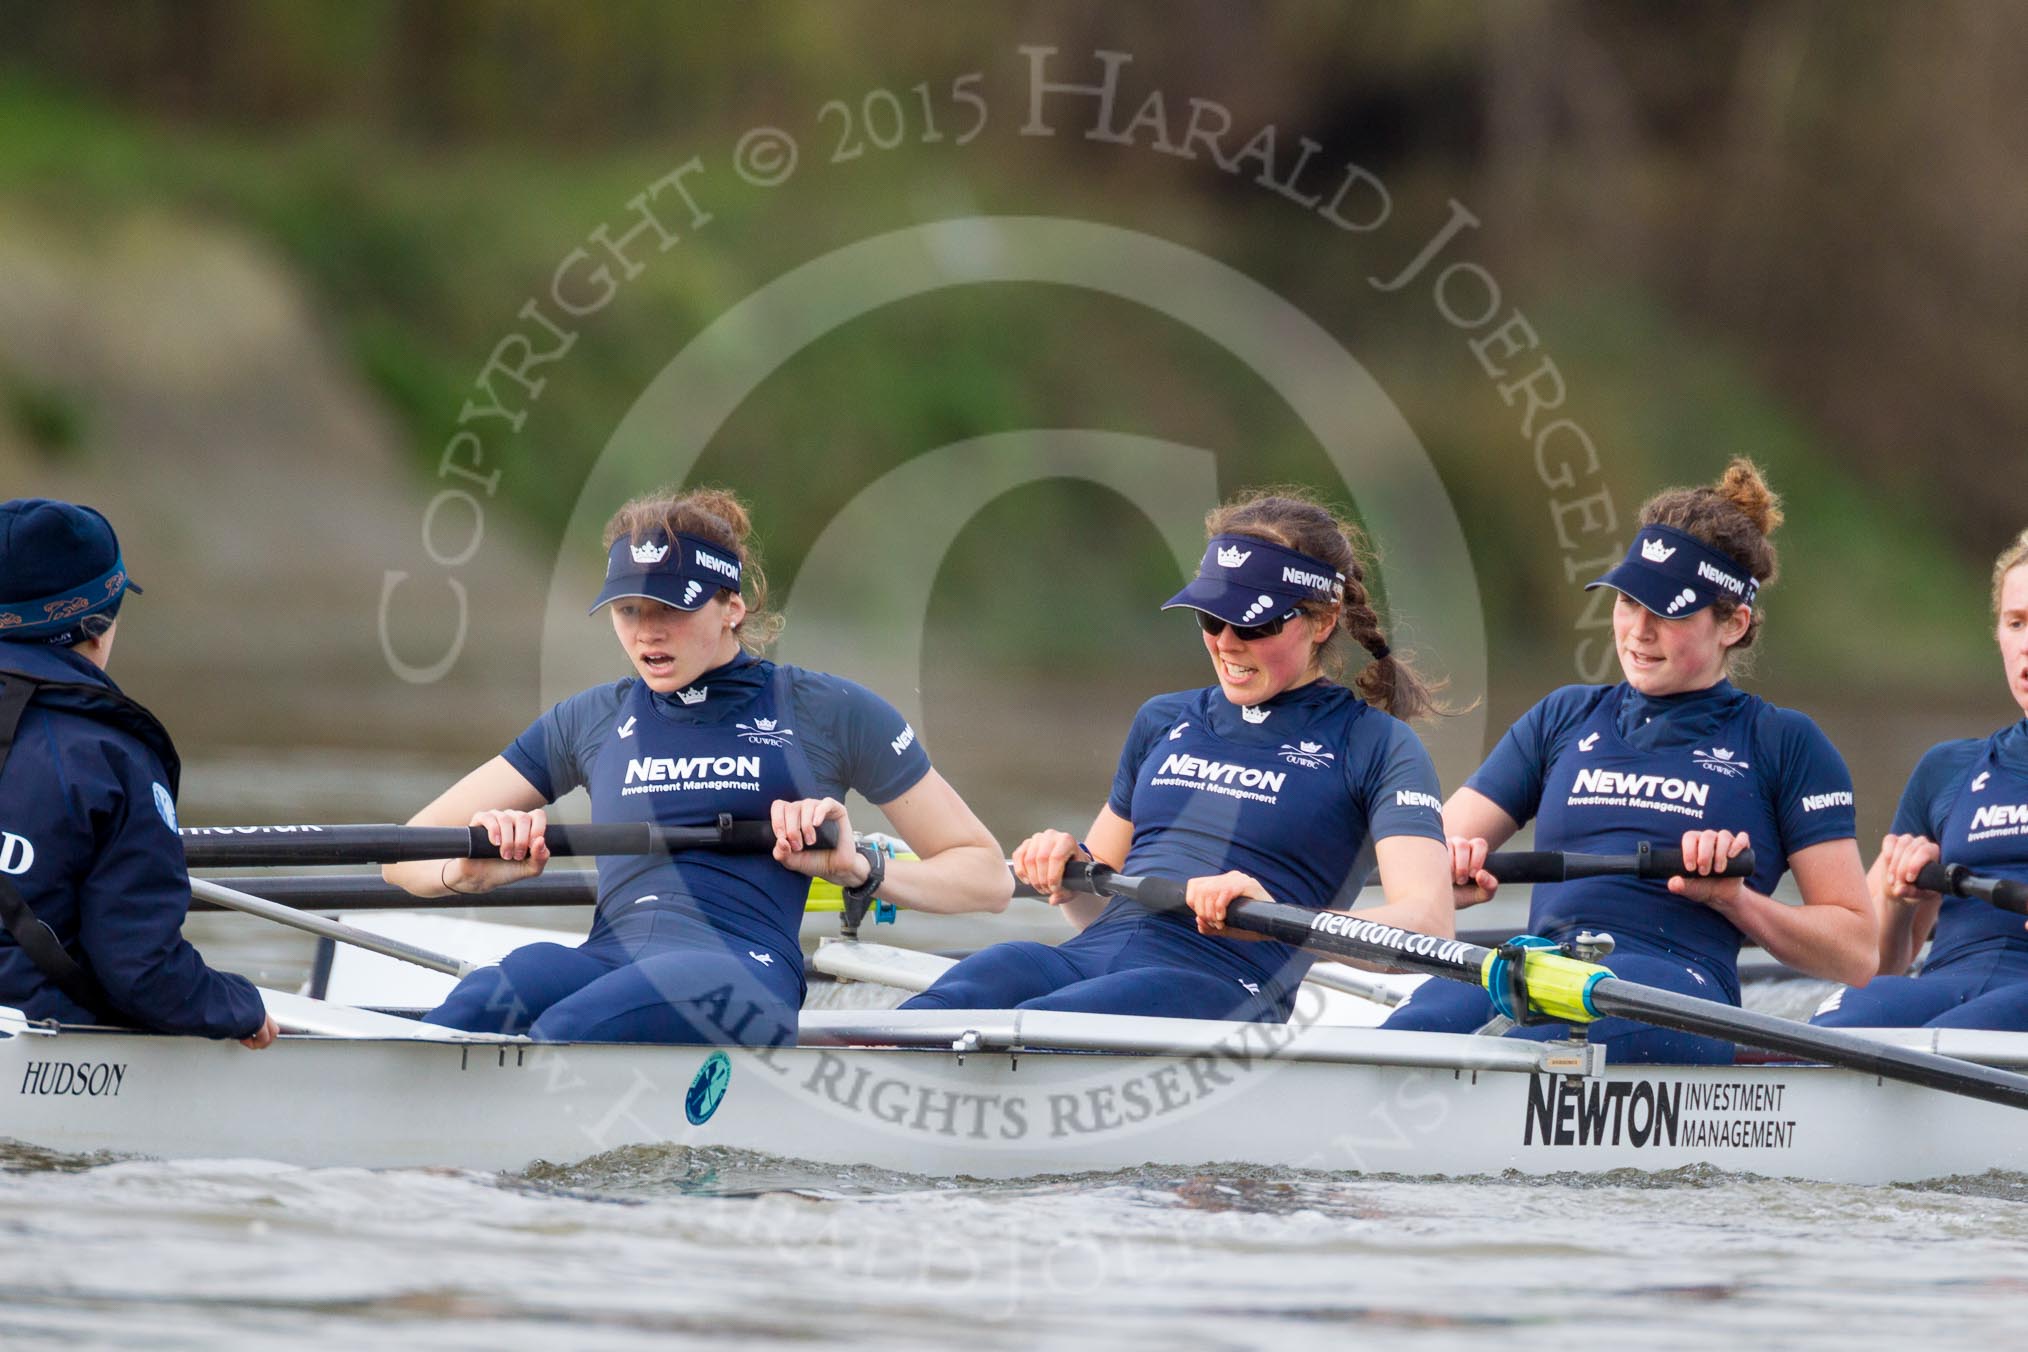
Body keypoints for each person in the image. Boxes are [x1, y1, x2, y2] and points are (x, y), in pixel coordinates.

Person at [385, 487, 1010, 1043]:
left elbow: (987, 877)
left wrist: (859, 868)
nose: (647, 634)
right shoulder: (590, 719)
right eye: (629, 611)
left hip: (744, 970)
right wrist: (461, 873)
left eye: (671, 609)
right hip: (612, 958)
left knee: (568, 1031)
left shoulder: (829, 711)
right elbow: (401, 855)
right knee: (485, 1000)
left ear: (731, 606)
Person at [1381, 461, 1873, 1063]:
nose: (1638, 631)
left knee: (1533, 1052)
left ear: (1733, 624)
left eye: (1667, 613)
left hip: (1680, 989)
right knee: (1405, 1040)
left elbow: (1856, 950)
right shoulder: (1564, 716)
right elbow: (1427, 854)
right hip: (1536, 959)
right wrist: (1446, 872)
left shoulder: (1785, 743)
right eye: (1627, 602)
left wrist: (1733, 900)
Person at [901, 490, 1454, 1023]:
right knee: (988, 973)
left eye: (1255, 624)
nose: (1227, 643)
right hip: (1095, 957)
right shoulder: (1164, 720)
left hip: (1221, 986)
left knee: (1037, 1023)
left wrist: (1282, 922)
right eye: (1212, 619)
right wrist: (1067, 870)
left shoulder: (1376, 745)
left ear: (1323, 620)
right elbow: (1098, 904)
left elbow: (1429, 927)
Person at [0, 498, 275, 1046]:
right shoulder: (112, 756)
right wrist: (239, 1005)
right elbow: (142, 972)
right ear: (98, 629)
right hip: (42, 1058)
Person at [1812, 529, 2028, 1030]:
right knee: (1832, 1031)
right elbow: (1868, 964)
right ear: (1998, 634)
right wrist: (1897, 898)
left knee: (1936, 1045)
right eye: (2016, 623)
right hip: (1946, 983)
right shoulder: (1947, 768)